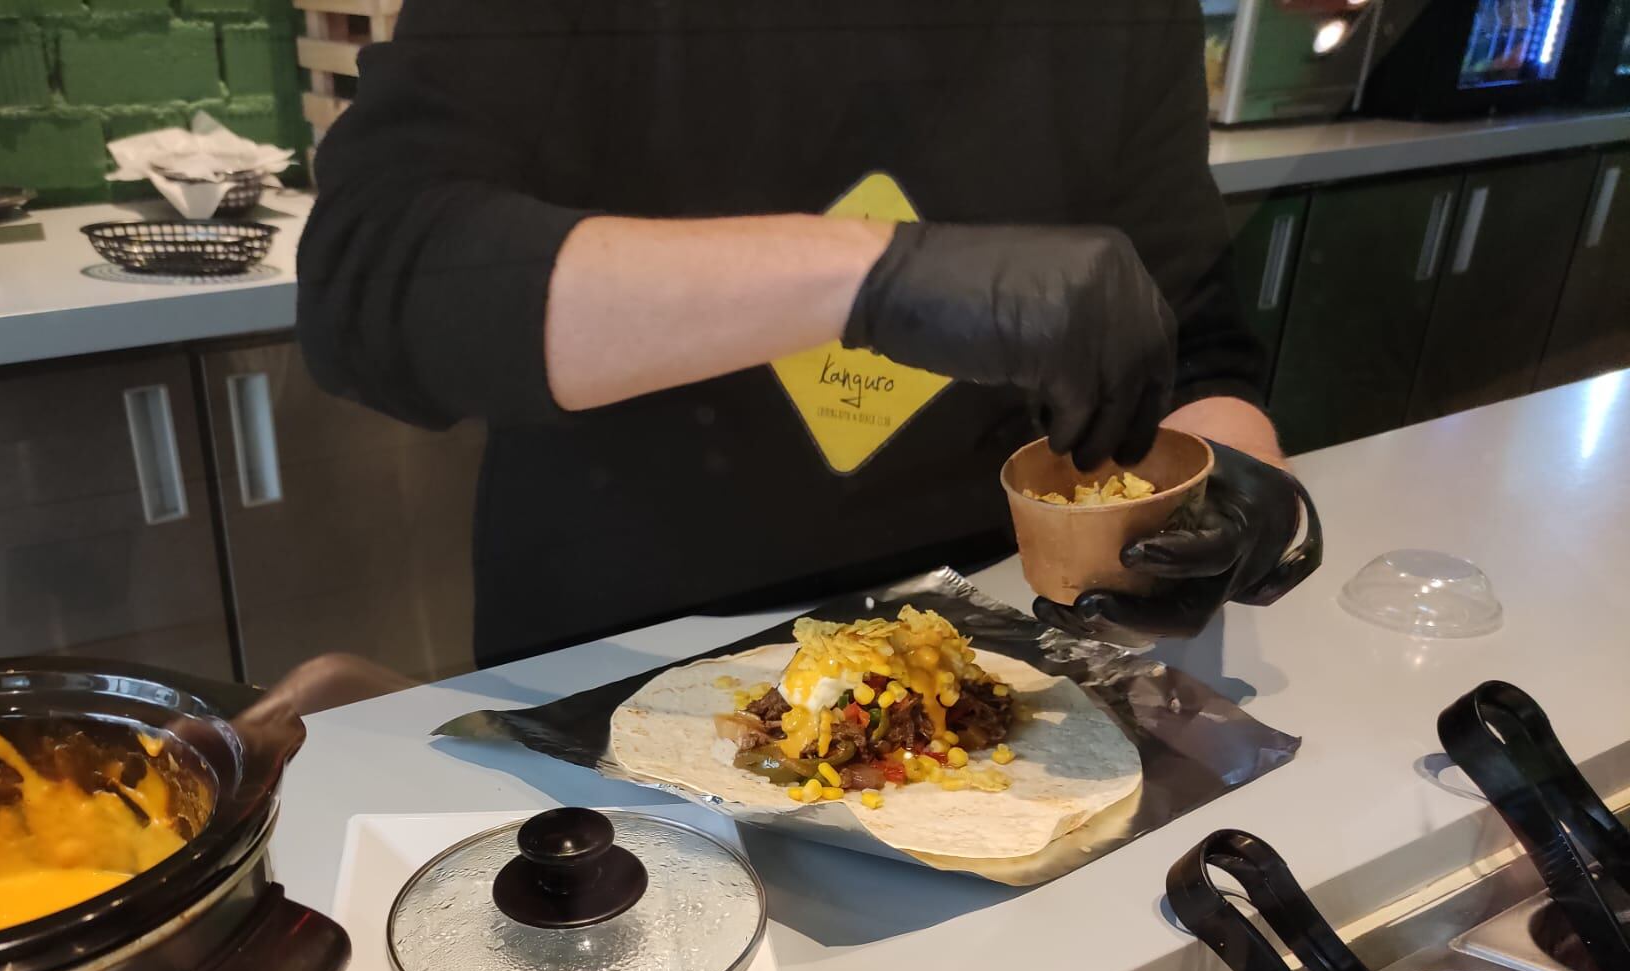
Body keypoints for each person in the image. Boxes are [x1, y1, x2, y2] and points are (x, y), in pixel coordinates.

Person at [297, 0, 1315, 665]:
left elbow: (1187, 334)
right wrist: (873, 277)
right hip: (618, 656)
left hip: (992, 636)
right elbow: (374, 277)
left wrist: (1226, 483)